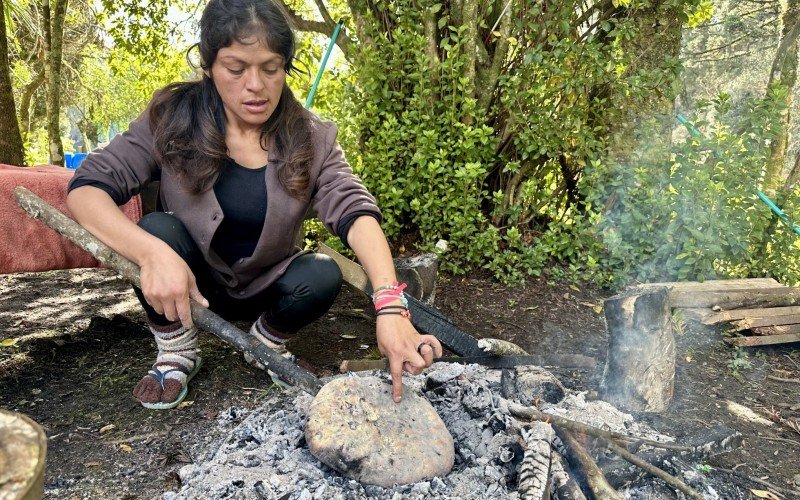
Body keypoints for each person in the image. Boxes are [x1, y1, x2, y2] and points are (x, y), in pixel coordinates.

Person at [65, 0, 442, 409]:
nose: (256, 85)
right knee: (157, 230)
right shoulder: (170, 118)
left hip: (267, 286)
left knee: (321, 273)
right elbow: (87, 189)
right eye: (236, 67)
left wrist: (390, 304)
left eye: (270, 67)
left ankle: (266, 341)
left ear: (285, 67)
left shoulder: (311, 138)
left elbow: (354, 211)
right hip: (189, 283)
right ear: (209, 66)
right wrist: (151, 253)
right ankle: (176, 347)